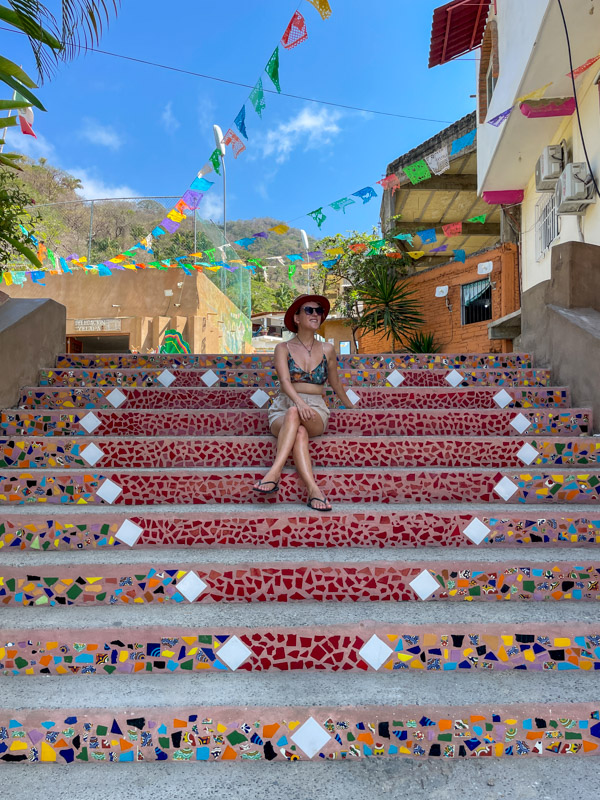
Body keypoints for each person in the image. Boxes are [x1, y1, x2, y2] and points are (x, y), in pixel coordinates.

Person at [253, 294, 356, 512]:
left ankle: (273, 474)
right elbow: (284, 381)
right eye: (309, 310)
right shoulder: (282, 348)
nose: (316, 314)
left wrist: (352, 407)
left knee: (297, 417)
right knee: (297, 426)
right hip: (284, 406)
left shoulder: (328, 349)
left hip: (317, 408)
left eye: (319, 311)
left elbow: (336, 383)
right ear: (297, 318)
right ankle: (313, 490)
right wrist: (299, 403)